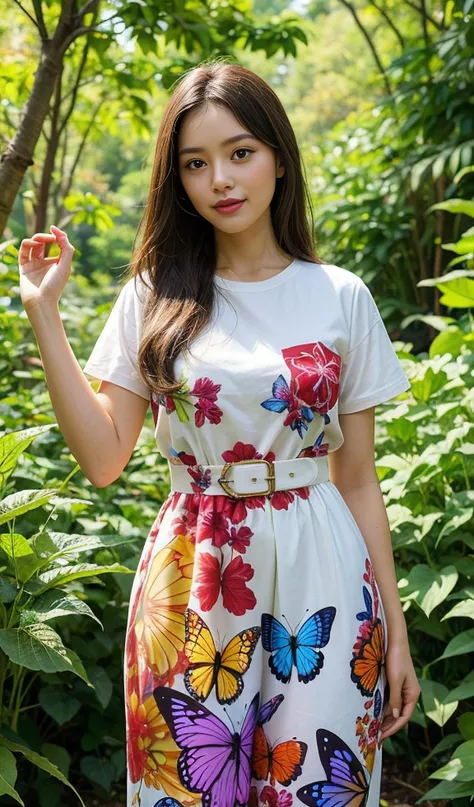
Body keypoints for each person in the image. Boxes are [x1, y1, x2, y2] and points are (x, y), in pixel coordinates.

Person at [19, 60, 421, 807]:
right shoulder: (154, 294)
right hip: (194, 567)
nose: (221, 180)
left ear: (278, 155)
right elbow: (106, 457)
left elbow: (358, 478)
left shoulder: (340, 296)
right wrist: (45, 314)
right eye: (195, 164)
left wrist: (395, 631)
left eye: (240, 153)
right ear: (178, 181)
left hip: (321, 566)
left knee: (315, 784)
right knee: (191, 784)